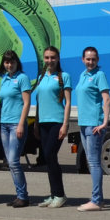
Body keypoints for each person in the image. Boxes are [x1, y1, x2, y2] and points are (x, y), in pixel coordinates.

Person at [31, 46, 73, 208]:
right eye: (47, 57)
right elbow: (39, 102)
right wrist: (35, 123)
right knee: (48, 159)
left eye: (52, 57)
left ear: (58, 59)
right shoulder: (41, 77)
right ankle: (54, 194)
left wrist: (65, 124)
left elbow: (68, 102)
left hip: (57, 122)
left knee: (50, 155)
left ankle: (60, 195)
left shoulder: (64, 77)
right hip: (43, 123)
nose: (50, 60)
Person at [73, 46, 110, 211]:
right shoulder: (83, 75)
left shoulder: (99, 75)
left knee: (94, 162)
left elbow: (107, 99)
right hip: (84, 123)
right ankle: (98, 199)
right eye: (88, 59)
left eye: (93, 59)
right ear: (83, 59)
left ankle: (96, 200)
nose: (90, 62)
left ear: (98, 60)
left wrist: (105, 122)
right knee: (91, 162)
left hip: (94, 124)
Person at [0, 50, 33, 208]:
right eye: (6, 62)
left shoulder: (22, 78)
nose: (9, 65)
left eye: (11, 62)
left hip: (16, 124)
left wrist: (21, 123)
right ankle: (19, 194)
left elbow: (26, 103)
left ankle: (23, 196)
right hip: (4, 124)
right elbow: (1, 103)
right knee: (10, 163)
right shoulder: (4, 79)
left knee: (14, 161)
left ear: (17, 62)